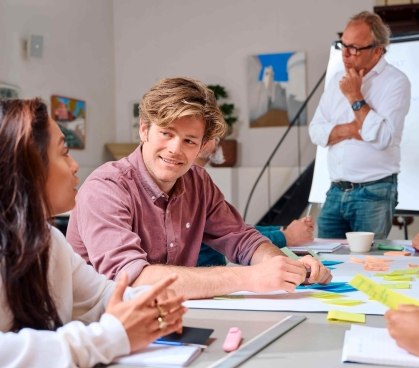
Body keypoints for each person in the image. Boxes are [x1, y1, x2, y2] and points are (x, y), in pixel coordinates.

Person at [0, 99, 186, 368]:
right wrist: (110, 337)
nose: (74, 165)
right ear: (25, 166)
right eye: (64, 152)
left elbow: (101, 298)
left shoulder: (48, 239)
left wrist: (151, 305)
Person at [67, 77, 331, 299]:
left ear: (202, 146)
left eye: (189, 140)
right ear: (144, 130)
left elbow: (241, 239)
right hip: (101, 330)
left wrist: (284, 266)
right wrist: (247, 277)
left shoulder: (198, 181)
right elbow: (132, 279)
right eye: (166, 133)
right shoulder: (106, 188)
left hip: (168, 319)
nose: (175, 149)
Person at [309, 11, 411, 239]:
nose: (345, 54)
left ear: (377, 50)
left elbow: (383, 138)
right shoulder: (337, 79)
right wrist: (353, 130)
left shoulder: (396, 81)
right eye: (342, 45)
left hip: (374, 193)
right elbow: (315, 132)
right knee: (326, 263)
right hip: (335, 191)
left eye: (353, 48)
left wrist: (355, 96)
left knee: (368, 264)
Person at [194, 138, 314, 266]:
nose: (218, 138)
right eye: (212, 134)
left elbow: (234, 229)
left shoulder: (201, 181)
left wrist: (283, 229)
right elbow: (235, 237)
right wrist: (287, 236)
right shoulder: (191, 185)